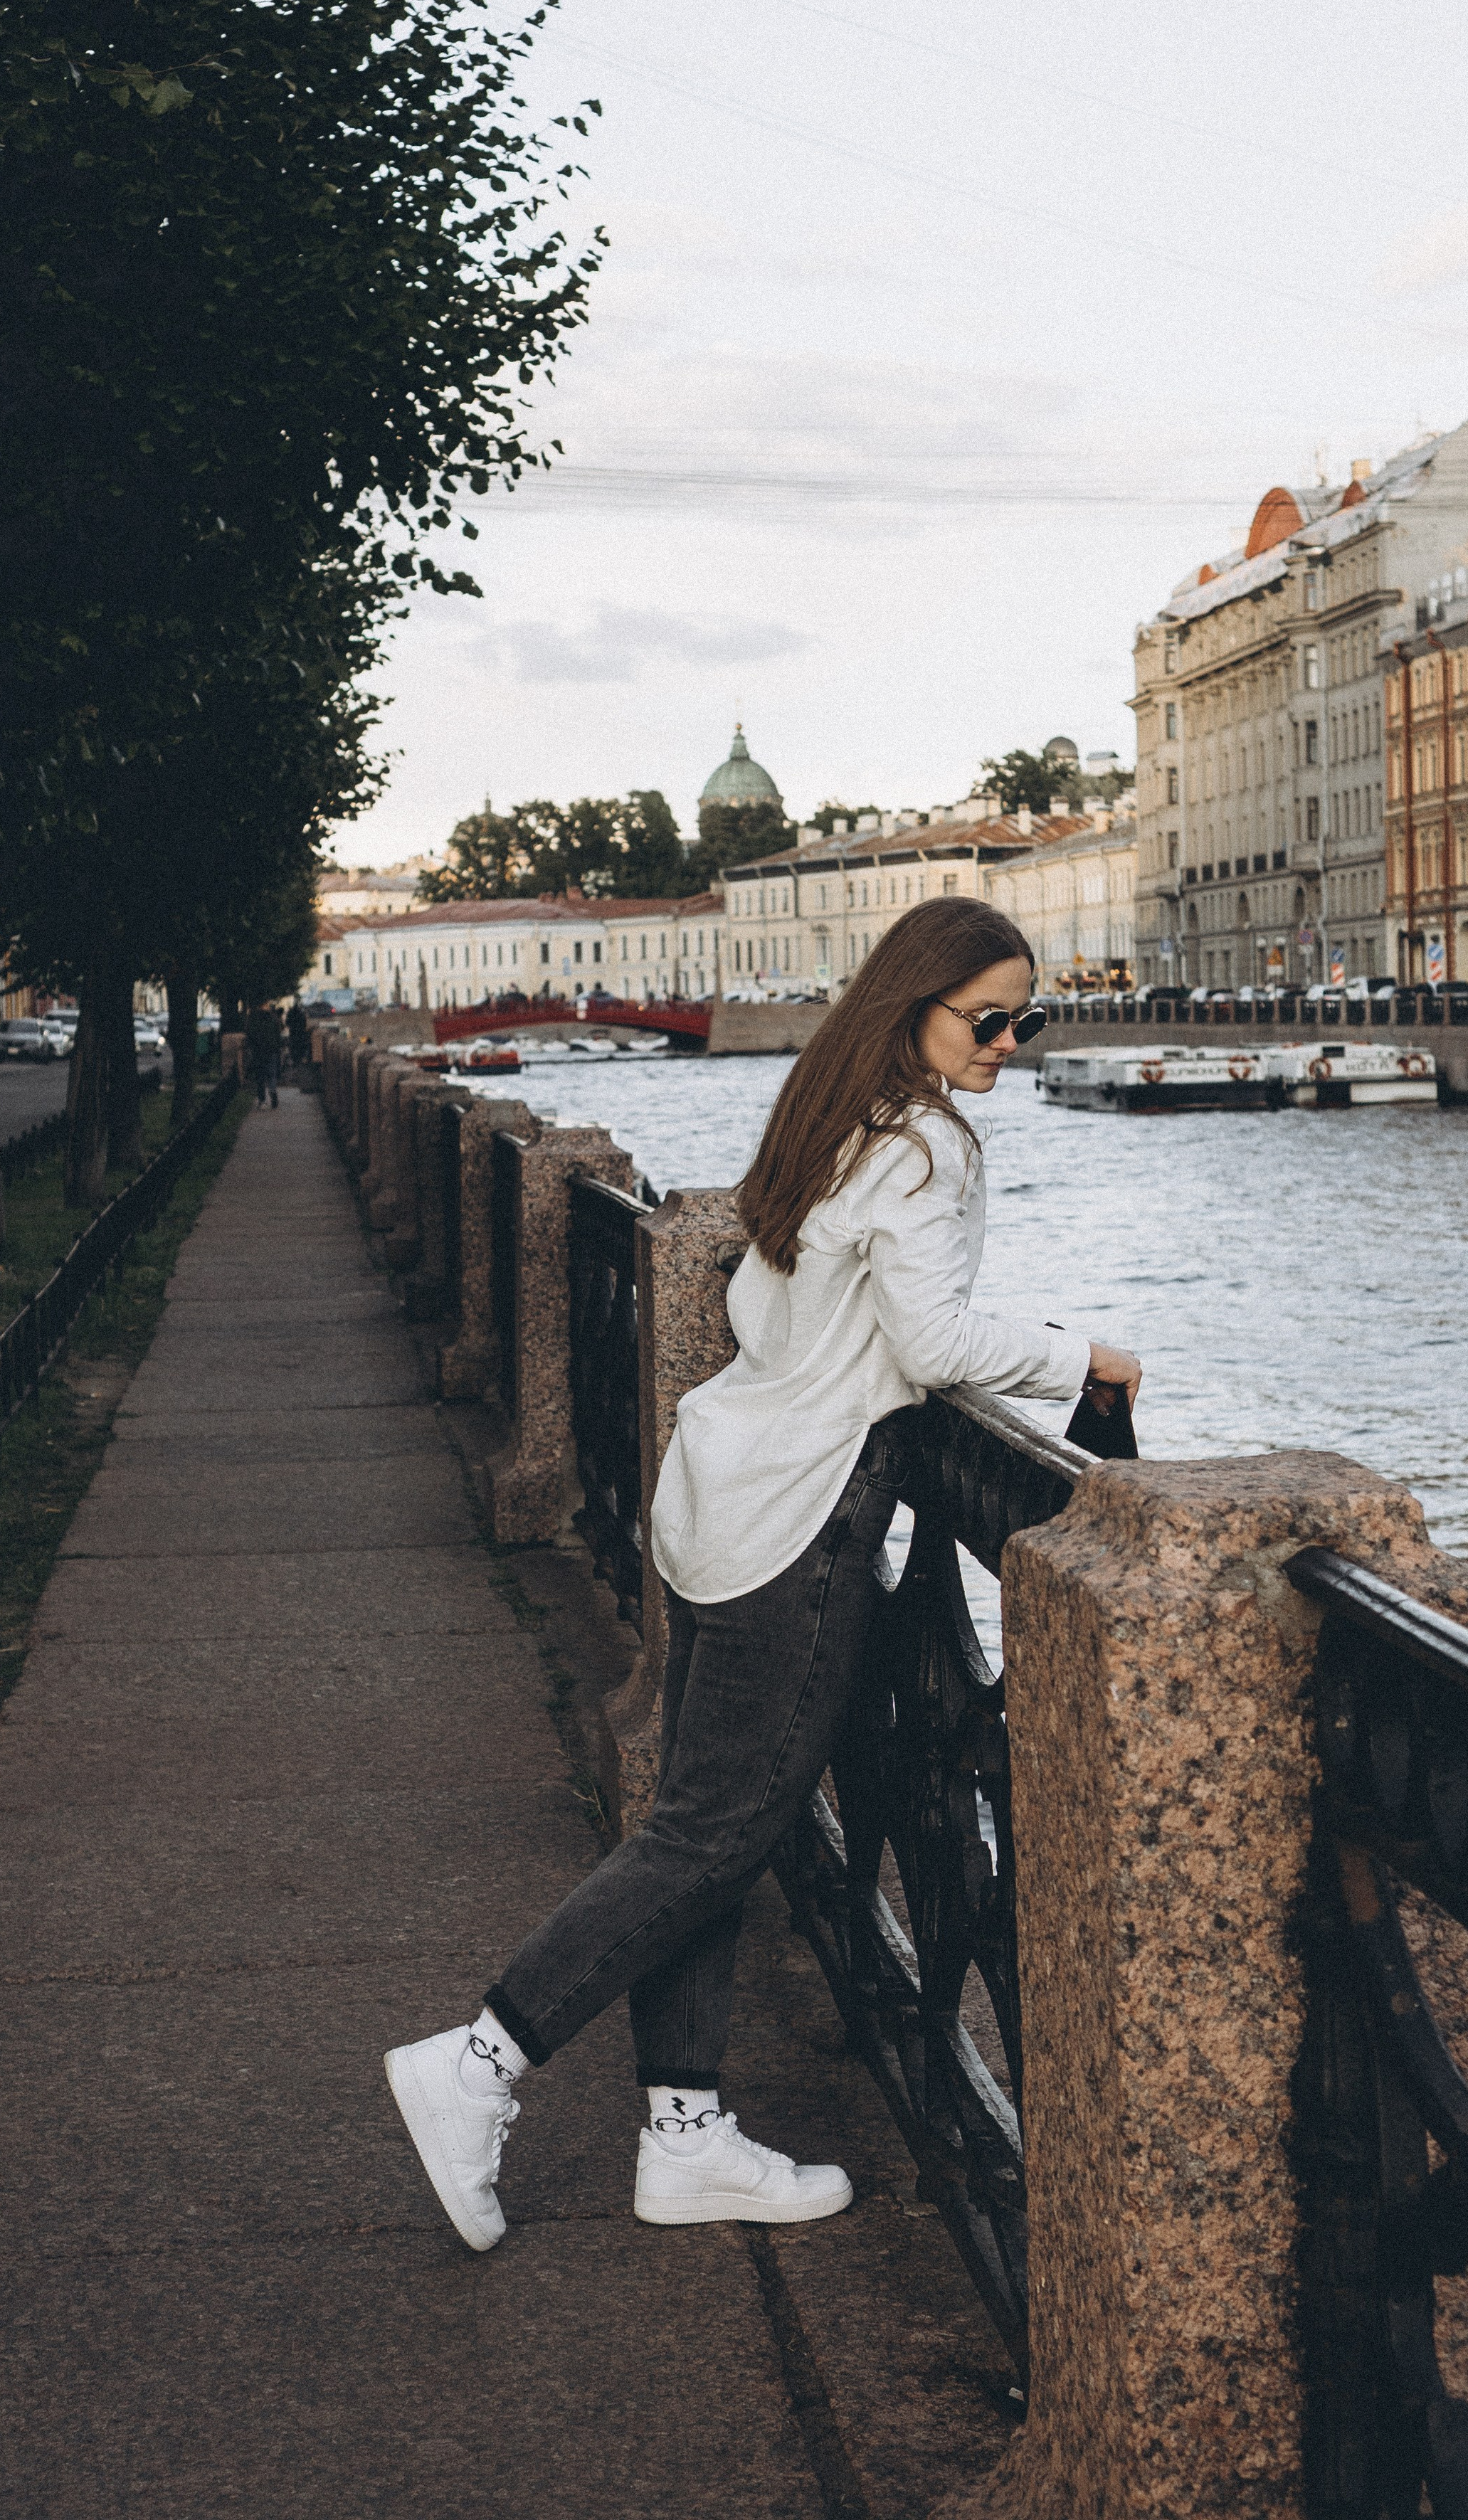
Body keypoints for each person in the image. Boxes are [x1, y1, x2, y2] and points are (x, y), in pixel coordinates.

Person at [384, 899, 1141, 2248]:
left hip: (722, 1494)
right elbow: (932, 1342)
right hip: (801, 1521)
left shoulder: (828, 1123)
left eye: (1028, 1019)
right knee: (713, 1836)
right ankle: (480, 2061)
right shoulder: (923, 1146)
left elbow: (759, 1307)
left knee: (706, 1828)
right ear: (913, 1007)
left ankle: (685, 2134)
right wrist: (1084, 1357)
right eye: (989, 1020)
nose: (1011, 1045)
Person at [245, 1005, 282, 1108]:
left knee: (260, 1076)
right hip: (272, 1051)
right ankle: (273, 1092)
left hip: (258, 1052)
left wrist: (252, 1047)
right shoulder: (274, 1019)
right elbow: (278, 1035)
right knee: (272, 1074)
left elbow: (250, 1034)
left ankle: (262, 1101)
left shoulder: (254, 1020)